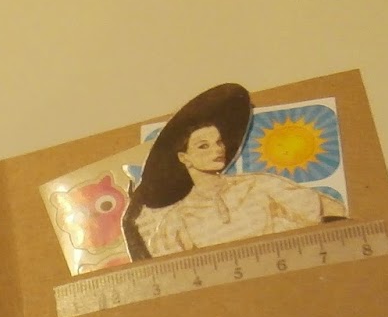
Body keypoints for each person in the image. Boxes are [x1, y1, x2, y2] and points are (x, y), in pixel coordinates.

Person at [123, 83, 345, 260]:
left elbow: (331, 210)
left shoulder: (259, 185)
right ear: (184, 158)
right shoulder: (177, 220)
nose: (217, 150)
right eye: (203, 146)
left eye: (219, 142)